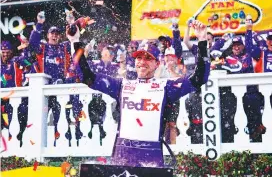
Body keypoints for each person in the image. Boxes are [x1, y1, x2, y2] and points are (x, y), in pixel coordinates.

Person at [68, 20, 210, 167]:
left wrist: (202, 41)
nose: (142, 62)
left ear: (157, 64)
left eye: (148, 58)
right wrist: (75, 41)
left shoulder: (166, 87)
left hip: (152, 160)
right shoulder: (122, 85)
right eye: (139, 58)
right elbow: (86, 76)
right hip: (122, 158)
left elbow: (200, 78)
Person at [28, 12, 83, 146]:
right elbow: (32, 42)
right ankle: (39, 146)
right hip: (44, 88)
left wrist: (71, 22)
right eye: (52, 33)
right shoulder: (42, 47)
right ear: (47, 35)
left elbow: (74, 39)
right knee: (42, 118)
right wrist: (39, 24)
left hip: (60, 89)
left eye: (57, 33)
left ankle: (61, 144)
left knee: (61, 117)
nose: (54, 35)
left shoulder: (64, 47)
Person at [1, 41, 34, 147]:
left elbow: (28, 63)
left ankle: (17, 143)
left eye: (8, 52)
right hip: (2, 98)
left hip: (15, 98)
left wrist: (25, 49)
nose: (5, 54)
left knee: (18, 121)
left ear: (11, 52)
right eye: (3, 52)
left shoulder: (15, 60)